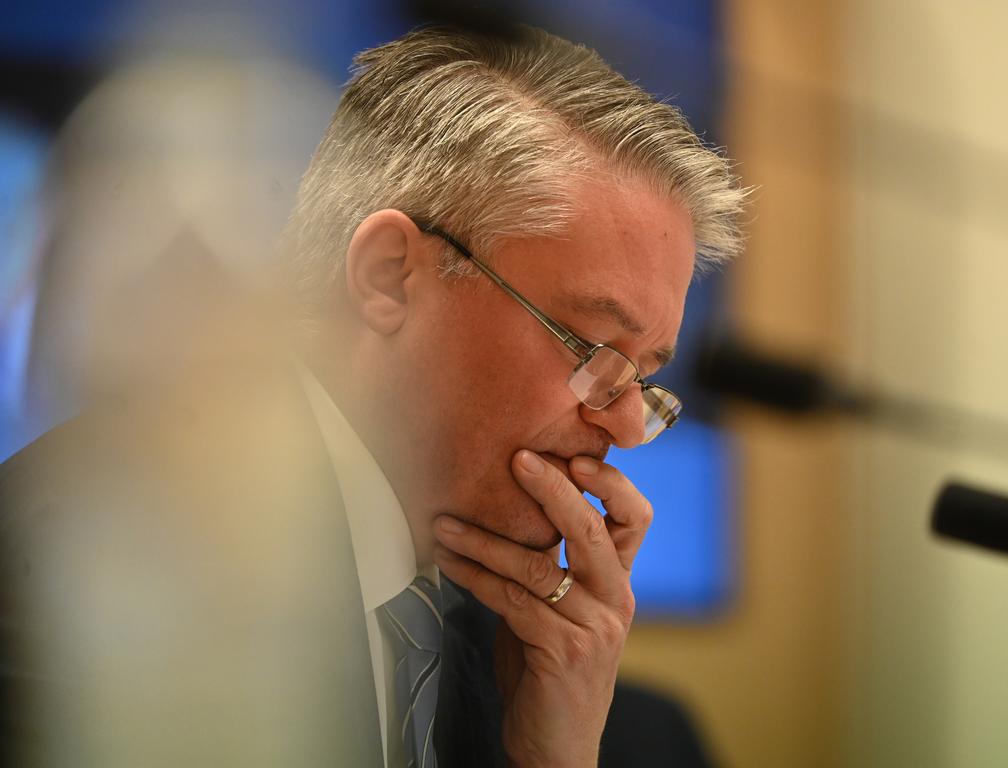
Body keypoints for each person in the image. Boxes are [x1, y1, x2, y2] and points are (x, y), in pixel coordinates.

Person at [0, 23, 743, 768]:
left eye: (642, 377)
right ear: (390, 276)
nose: (621, 424)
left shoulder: (564, 692)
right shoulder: (58, 585)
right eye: (590, 347)